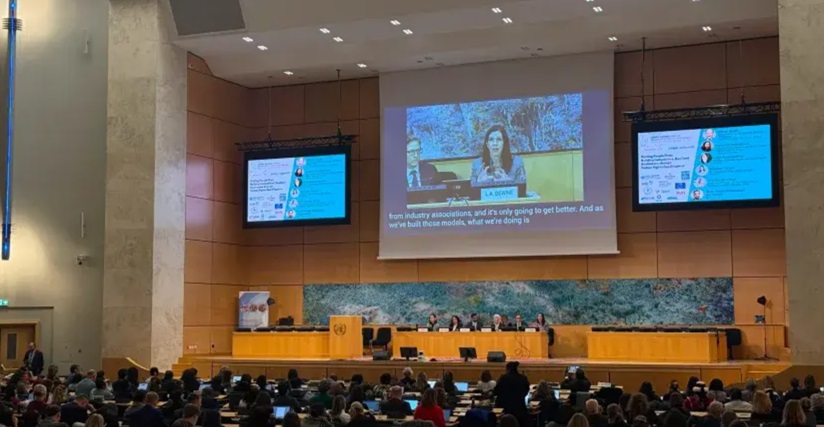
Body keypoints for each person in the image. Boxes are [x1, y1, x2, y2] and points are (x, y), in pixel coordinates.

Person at [494, 361, 530, 427]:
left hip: (504, 410)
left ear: (507, 369)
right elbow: (526, 392)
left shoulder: (503, 378)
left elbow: (496, 392)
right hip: (520, 410)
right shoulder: (523, 378)